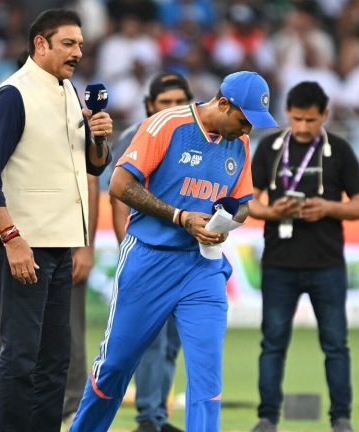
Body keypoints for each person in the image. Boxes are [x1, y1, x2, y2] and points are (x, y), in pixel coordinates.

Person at [71, 70, 278, 432]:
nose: (248, 130)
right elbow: (119, 185)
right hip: (149, 259)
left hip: (203, 268)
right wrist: (181, 217)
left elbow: (244, 203)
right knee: (115, 366)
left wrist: (226, 220)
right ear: (223, 104)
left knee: (207, 376)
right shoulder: (166, 125)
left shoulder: (241, 144)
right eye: (244, 120)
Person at [0, 9, 111, 432]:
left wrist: (99, 137)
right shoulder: (13, 95)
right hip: (25, 246)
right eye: (68, 43)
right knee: (20, 356)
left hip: (61, 243)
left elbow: (93, 167)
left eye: (80, 44)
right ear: (41, 44)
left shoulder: (68, 90)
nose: (78, 52)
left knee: (54, 360)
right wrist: (12, 239)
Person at [248, 81, 359, 432]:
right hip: (279, 263)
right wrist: (272, 212)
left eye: (311, 120)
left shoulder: (339, 150)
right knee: (272, 344)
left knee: (335, 345)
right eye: (297, 119)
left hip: (326, 264)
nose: (302, 127)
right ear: (287, 113)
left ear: (325, 115)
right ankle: (267, 418)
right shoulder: (269, 147)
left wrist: (328, 208)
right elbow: (248, 202)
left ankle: (341, 419)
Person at [106, 72, 194, 432]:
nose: (173, 108)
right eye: (165, 103)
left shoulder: (198, 138)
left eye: (180, 102)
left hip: (185, 255)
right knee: (151, 341)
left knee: (172, 341)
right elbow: (118, 199)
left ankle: (158, 414)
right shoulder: (136, 137)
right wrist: (131, 251)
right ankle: (147, 418)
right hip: (148, 253)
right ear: (149, 106)